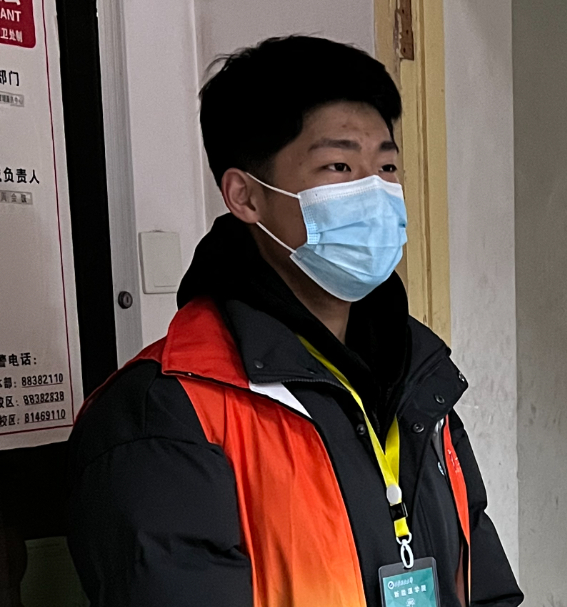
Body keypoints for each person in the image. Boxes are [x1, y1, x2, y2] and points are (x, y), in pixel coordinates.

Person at [66, 35, 522, 607]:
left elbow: (484, 586)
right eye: (339, 165)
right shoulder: (165, 414)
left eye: (386, 166)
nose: (374, 191)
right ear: (246, 196)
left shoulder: (417, 380)